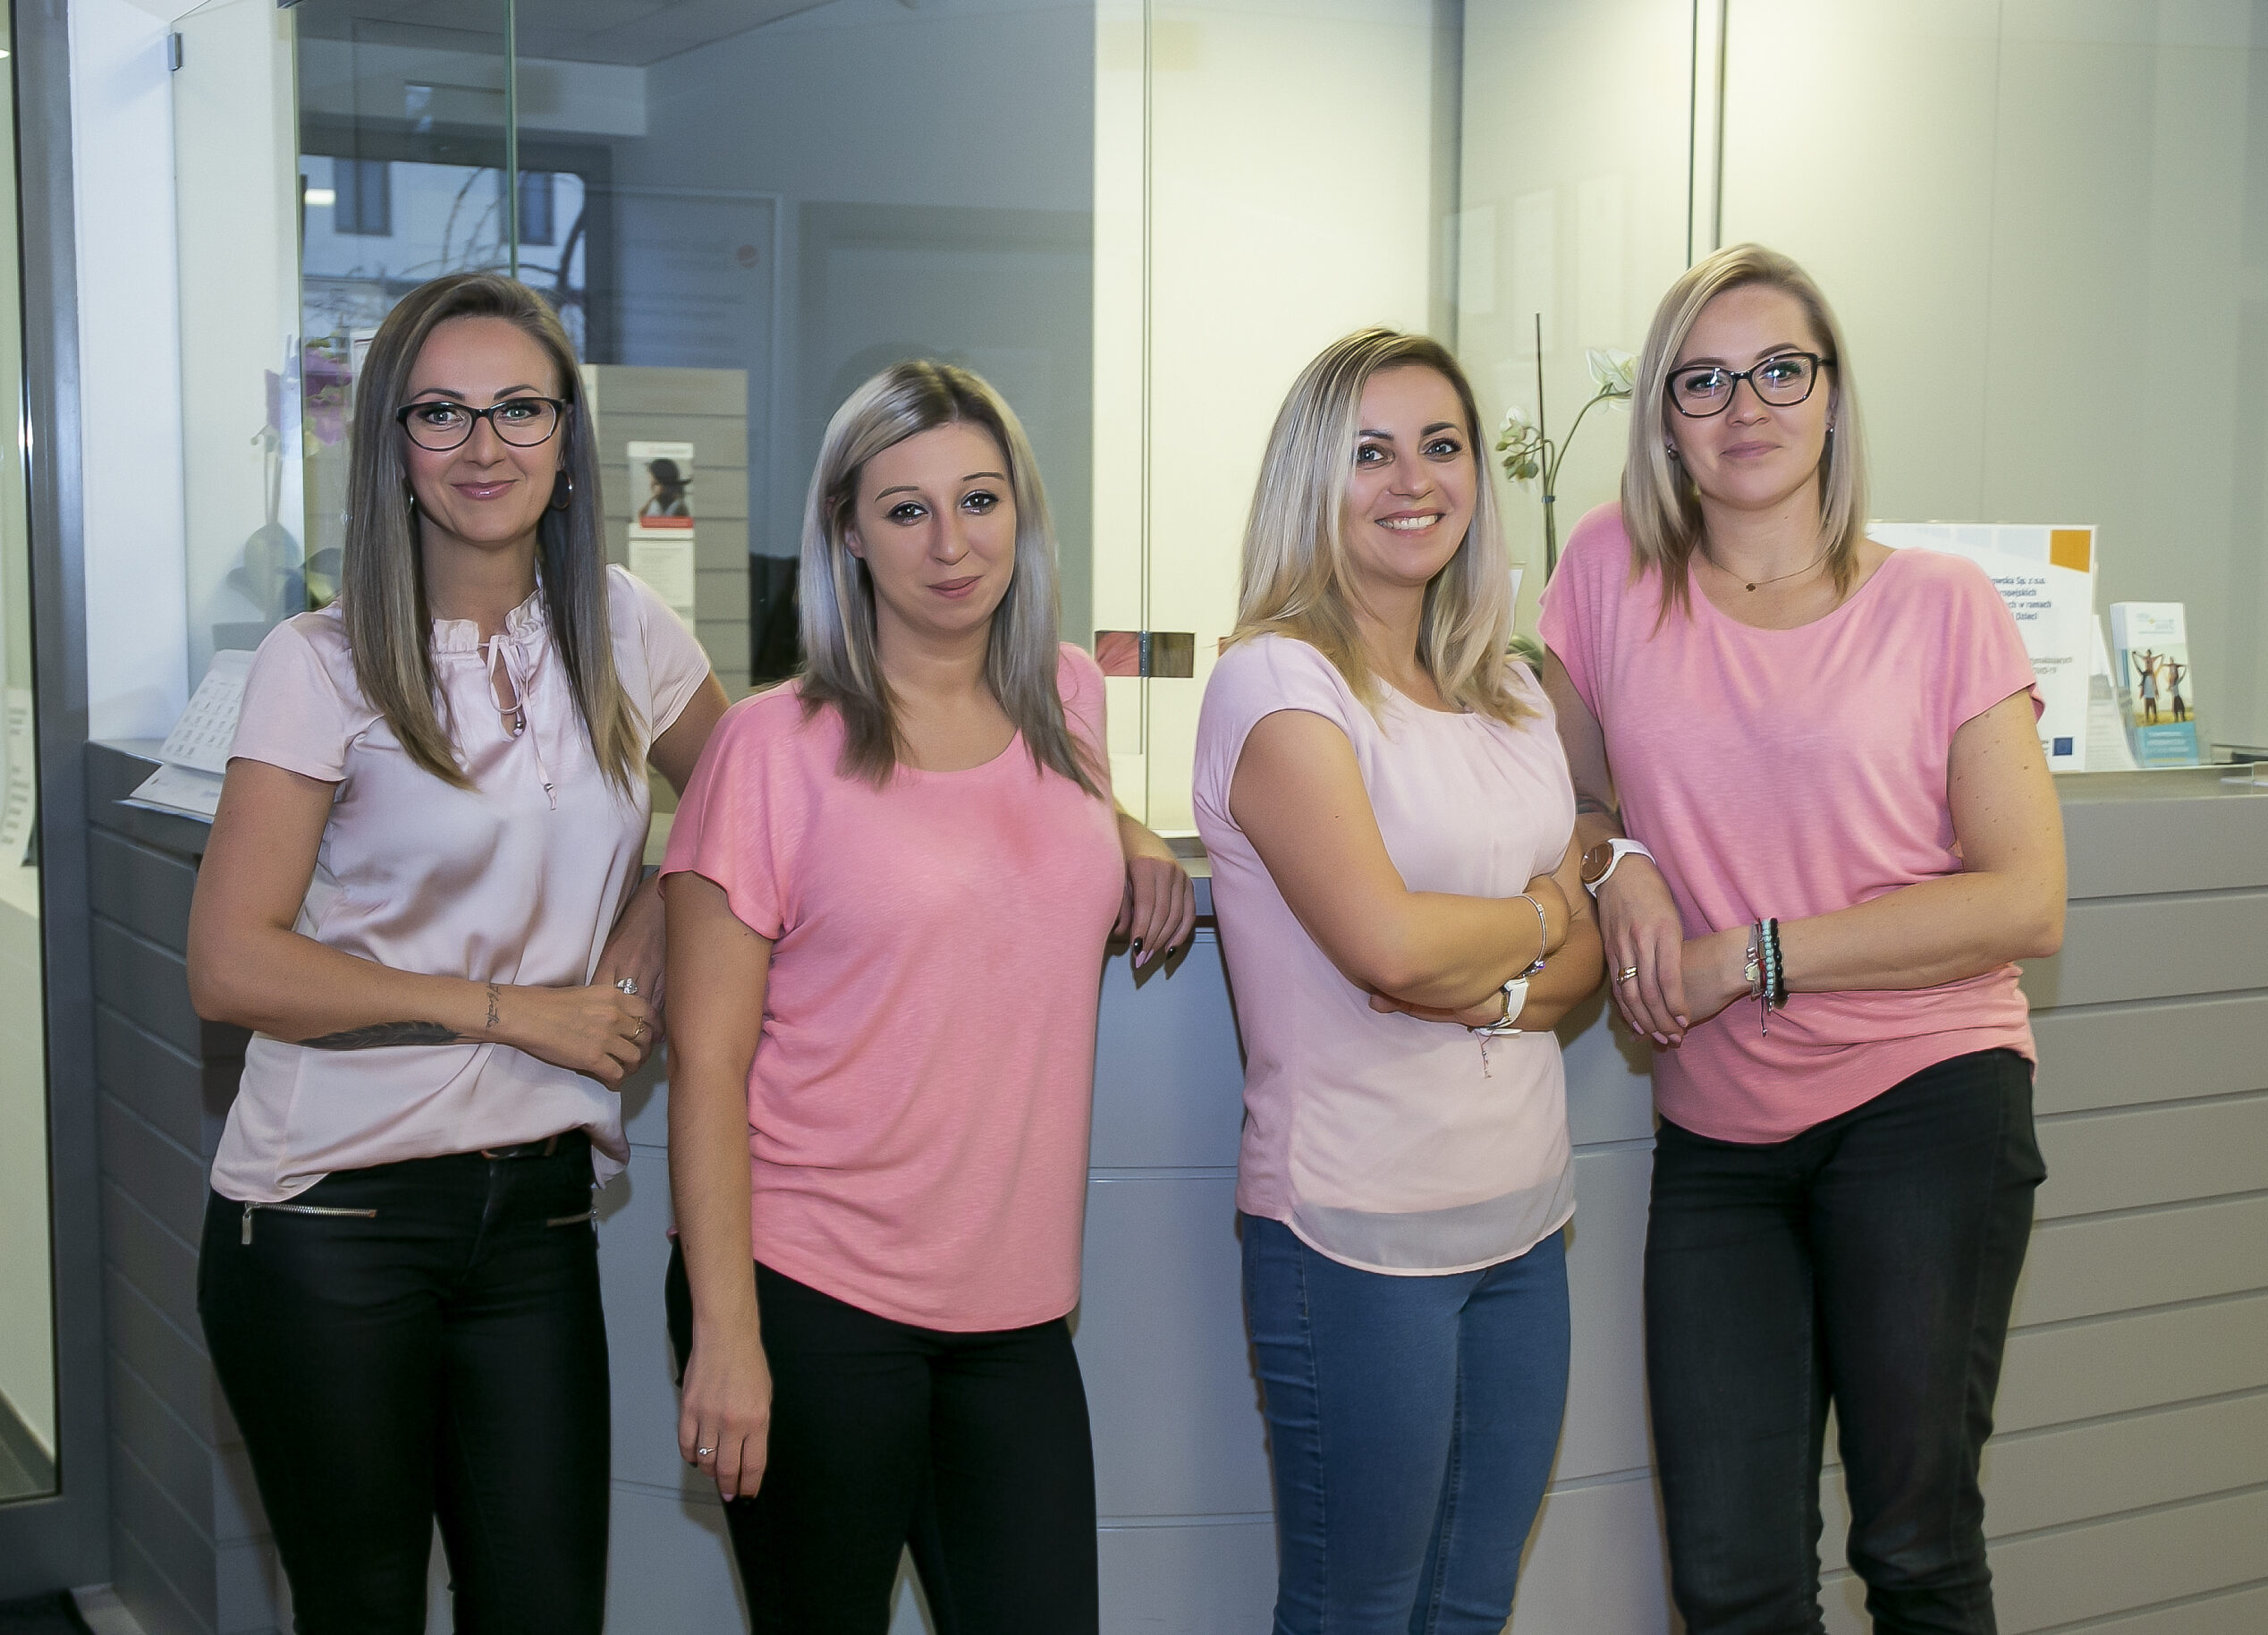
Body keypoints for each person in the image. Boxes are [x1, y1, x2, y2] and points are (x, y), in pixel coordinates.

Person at [187, 272, 727, 1635]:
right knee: (364, 1609)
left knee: (545, 1609)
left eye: (519, 410)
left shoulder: (626, 629)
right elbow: (231, 963)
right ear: (392, 444)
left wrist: (653, 912)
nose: (484, 447)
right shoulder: (320, 661)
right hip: (328, 1218)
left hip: (533, 1214)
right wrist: (515, 1012)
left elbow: (754, 812)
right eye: (441, 413)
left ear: (567, 438)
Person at [1538, 243, 2065, 1632]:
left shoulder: (1940, 604)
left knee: (1916, 1548)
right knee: (1731, 1580)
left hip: (1927, 1098)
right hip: (1719, 1135)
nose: (1746, 406)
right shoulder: (1605, 571)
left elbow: (2025, 899)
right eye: (1703, 380)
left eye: (1781, 369)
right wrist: (1621, 865)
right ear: (1664, 418)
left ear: (1832, 395)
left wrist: (1754, 954)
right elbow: (1570, 797)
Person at [659, 360, 1193, 1633]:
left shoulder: (1066, 697)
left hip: (1015, 1310)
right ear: (847, 532)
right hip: (809, 1291)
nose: (952, 544)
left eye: (979, 500)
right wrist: (727, 1335)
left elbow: (1009, 831)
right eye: (906, 510)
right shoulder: (771, 746)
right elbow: (707, 1063)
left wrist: (1131, 833)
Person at [1193, 328, 1603, 1633]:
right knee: (1357, 1612)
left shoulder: (1512, 691)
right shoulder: (1277, 681)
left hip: (1523, 1223)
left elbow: (1583, 958)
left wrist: (1491, 973)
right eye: (1371, 452)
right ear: (1312, 479)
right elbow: (1386, 946)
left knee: (1471, 1604)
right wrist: (1542, 910)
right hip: (1354, 1232)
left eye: (1441, 445)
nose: (1413, 480)